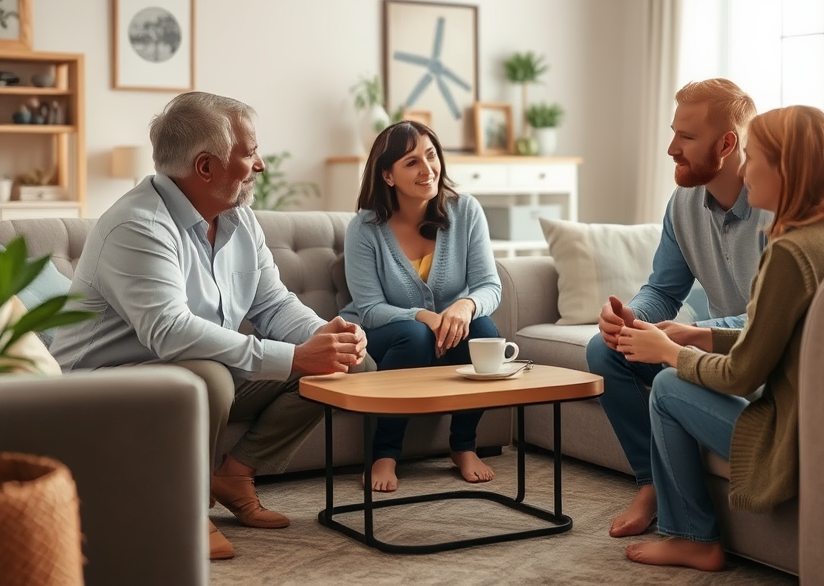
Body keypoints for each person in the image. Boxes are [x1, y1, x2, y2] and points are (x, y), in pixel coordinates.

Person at [49, 92, 371, 561]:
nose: (260, 164)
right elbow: (171, 331)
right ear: (205, 167)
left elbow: (273, 302)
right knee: (208, 377)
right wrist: (295, 357)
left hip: (195, 368)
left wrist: (330, 335)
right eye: (249, 152)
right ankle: (185, 510)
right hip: (103, 382)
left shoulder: (239, 218)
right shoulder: (137, 225)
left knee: (347, 363)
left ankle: (237, 473)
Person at [618, 105, 824, 570]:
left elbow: (743, 376)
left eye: (754, 156)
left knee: (666, 387)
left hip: (798, 434)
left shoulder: (792, 250)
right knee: (672, 371)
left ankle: (693, 537)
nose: (744, 168)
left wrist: (670, 352)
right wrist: (700, 335)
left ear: (787, 166)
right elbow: (789, 337)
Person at [586, 78, 771, 537]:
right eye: (673, 133)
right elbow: (663, 290)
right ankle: (649, 485)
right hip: (712, 351)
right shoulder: (683, 203)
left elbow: (778, 323)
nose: (671, 148)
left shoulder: (777, 205)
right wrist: (633, 318)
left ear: (727, 144)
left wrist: (688, 334)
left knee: (667, 375)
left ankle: (687, 527)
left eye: (686, 137)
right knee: (605, 349)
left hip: (759, 363)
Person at [341, 120, 502, 492]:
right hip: (388, 333)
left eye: (431, 156)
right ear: (388, 175)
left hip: (450, 331)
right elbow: (369, 309)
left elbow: (489, 286)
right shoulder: (364, 228)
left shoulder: (466, 212)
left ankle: (463, 445)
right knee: (414, 335)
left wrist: (464, 305)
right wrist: (424, 316)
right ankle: (384, 453)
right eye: (411, 162)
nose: (427, 169)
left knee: (484, 331)